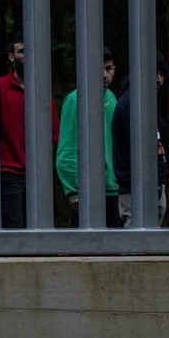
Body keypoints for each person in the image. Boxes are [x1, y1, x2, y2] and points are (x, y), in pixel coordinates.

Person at [0, 31, 60, 228]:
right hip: (8, 172)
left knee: (39, 228)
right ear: (11, 57)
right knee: (14, 227)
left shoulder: (40, 88)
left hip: (38, 174)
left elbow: (55, 132)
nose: (27, 56)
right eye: (22, 51)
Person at [56, 46, 123, 228]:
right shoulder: (75, 100)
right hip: (87, 191)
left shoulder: (112, 98)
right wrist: (74, 191)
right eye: (98, 69)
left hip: (114, 189)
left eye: (108, 69)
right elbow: (67, 149)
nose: (104, 75)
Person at [111, 52, 169, 227]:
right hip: (138, 191)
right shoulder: (132, 104)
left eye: (161, 74)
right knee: (138, 246)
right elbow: (138, 151)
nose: (158, 79)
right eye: (154, 73)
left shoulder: (143, 103)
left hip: (148, 187)